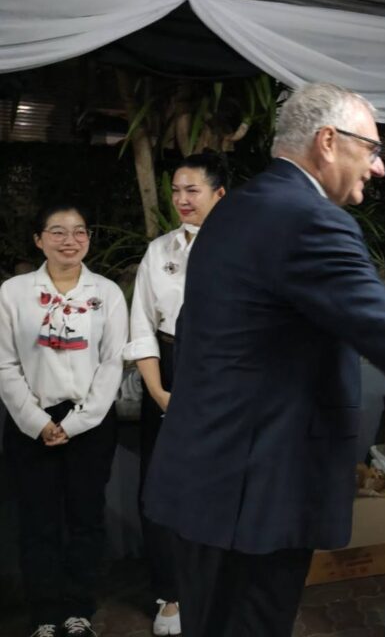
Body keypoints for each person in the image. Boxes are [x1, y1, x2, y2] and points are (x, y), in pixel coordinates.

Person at [141, 82, 385, 637]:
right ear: (328, 141)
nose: (379, 167)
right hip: (254, 493)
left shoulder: (236, 209)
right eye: (371, 149)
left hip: (208, 479)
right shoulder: (311, 219)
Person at [0, 203, 129, 637]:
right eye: (57, 231)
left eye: (79, 231)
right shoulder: (14, 292)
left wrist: (75, 423)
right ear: (39, 240)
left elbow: (112, 363)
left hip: (89, 423)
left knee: (85, 519)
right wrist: (36, 421)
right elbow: (4, 363)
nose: (69, 240)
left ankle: (78, 611)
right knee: (37, 522)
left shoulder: (107, 293)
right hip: (29, 421)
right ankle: (43, 615)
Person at [124, 152, 228, 636]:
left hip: (225, 373)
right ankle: (171, 593)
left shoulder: (242, 249)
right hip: (166, 370)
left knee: (221, 483)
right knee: (163, 486)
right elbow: (141, 325)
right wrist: (159, 392)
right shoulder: (158, 251)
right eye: (175, 191)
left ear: (219, 194)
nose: (182, 200)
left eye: (192, 190)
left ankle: (219, 586)